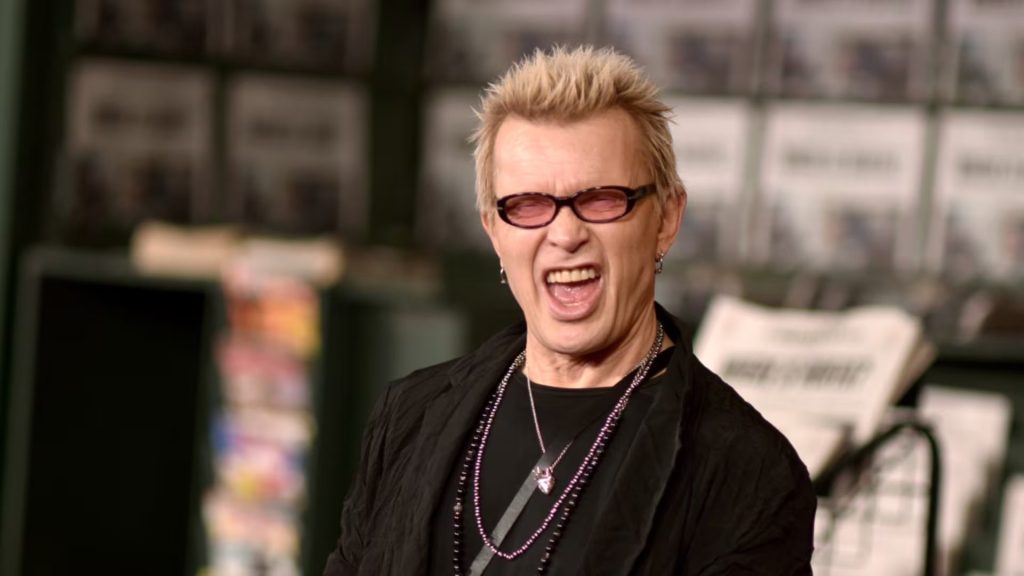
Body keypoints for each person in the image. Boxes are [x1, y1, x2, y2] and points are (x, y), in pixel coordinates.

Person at [325, 46, 815, 575]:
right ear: (494, 231)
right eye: (528, 205)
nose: (565, 235)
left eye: (601, 199)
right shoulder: (409, 414)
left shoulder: (745, 469)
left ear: (667, 219)